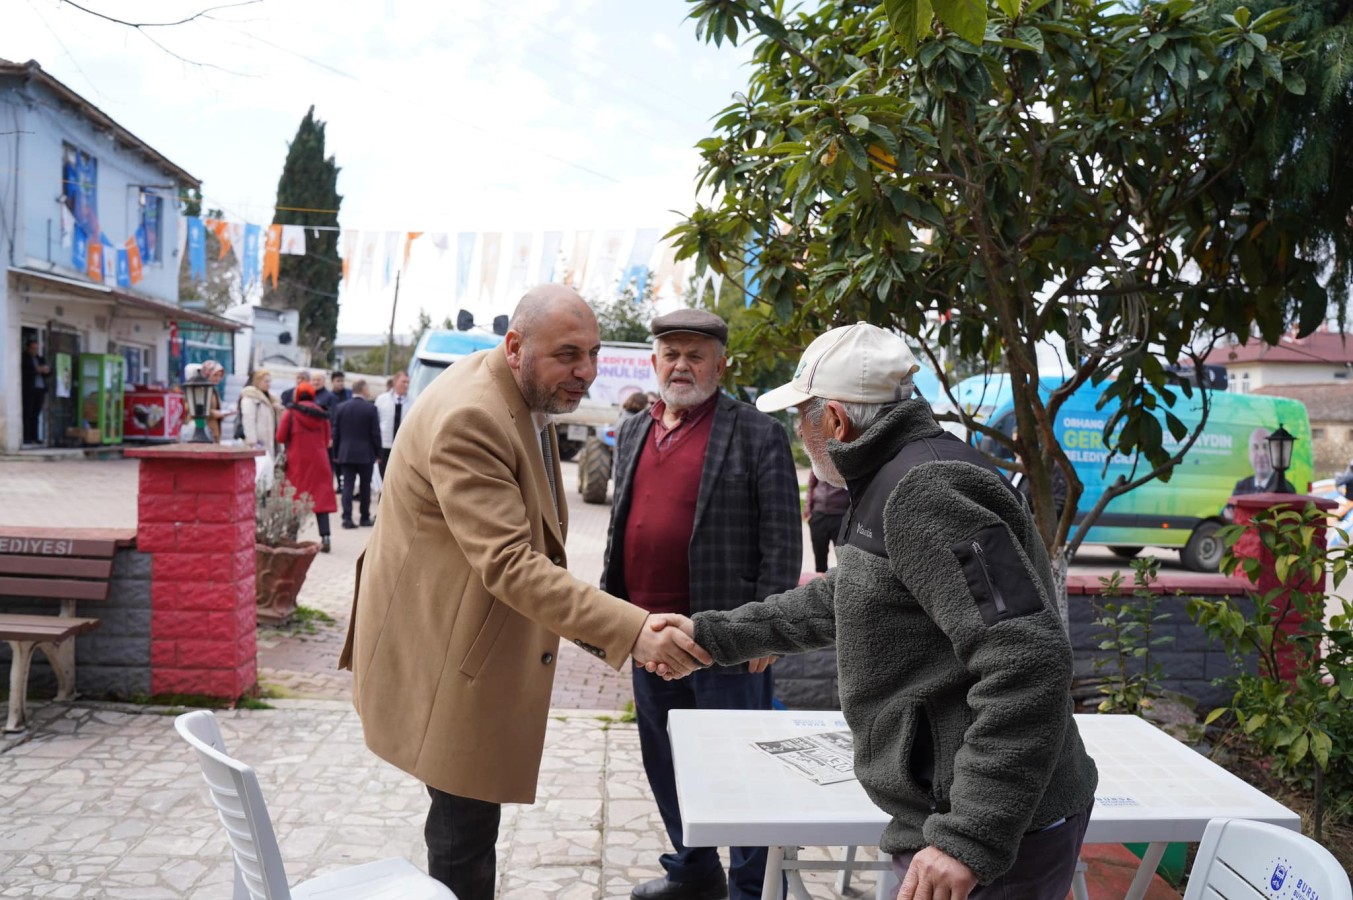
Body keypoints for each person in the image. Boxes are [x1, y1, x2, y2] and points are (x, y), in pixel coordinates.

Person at [660, 323, 1099, 900]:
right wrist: (713, 636)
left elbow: (1027, 660)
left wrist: (968, 836)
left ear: (836, 422)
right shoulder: (892, 478)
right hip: (950, 814)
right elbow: (849, 596)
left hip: (988, 833)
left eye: (804, 417)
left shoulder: (926, 490)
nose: (799, 433)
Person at [337, 284, 713, 900]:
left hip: (458, 643)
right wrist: (633, 630)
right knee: (463, 832)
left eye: (591, 354)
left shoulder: (513, 395)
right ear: (515, 347)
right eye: (568, 355)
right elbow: (511, 563)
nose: (586, 371)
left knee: (466, 822)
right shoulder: (473, 415)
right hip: (444, 664)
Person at [601, 310, 801, 900]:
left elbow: (783, 540)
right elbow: (621, 527)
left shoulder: (756, 431)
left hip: (727, 638)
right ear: (653, 361)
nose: (681, 365)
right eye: (671, 353)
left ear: (721, 363)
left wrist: (769, 630)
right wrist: (615, 621)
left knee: (737, 770)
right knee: (665, 762)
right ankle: (692, 873)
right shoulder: (636, 428)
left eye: (695, 354)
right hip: (646, 634)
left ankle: (749, 887)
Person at [277, 381, 338, 552]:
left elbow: (280, 437)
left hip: (297, 462)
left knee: (295, 496)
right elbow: (327, 441)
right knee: (321, 499)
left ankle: (291, 536)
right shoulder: (322, 415)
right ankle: (325, 538)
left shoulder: (290, 413)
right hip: (319, 462)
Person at [332, 379, 380, 529]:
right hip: (365, 454)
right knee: (366, 486)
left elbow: (336, 433)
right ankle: (364, 517)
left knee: (347, 485)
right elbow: (375, 433)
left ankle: (347, 518)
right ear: (363, 390)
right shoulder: (370, 409)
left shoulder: (341, 408)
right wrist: (378, 453)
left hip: (346, 453)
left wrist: (336, 453)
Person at [1224, 427, 1294, 521]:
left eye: (1265, 447)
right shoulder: (1241, 486)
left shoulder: (1286, 488)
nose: (1261, 454)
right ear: (1249, 455)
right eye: (1255, 447)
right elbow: (1226, 513)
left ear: (1275, 453)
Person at [239, 369, 282, 482]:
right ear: (258, 381)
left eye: (269, 381)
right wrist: (252, 441)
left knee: (268, 468)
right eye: (266, 381)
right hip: (258, 440)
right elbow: (248, 419)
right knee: (259, 469)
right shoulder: (250, 398)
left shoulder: (271, 398)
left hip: (270, 438)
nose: (269, 384)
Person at [805, 470, 850, 574]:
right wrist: (808, 508)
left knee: (843, 556)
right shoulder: (818, 459)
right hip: (818, 514)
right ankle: (821, 583)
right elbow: (811, 485)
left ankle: (842, 583)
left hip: (840, 514)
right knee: (819, 554)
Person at [374, 370, 409, 479]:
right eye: (403, 382)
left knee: (397, 476)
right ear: (395, 382)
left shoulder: (413, 401)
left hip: (402, 446)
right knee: (383, 475)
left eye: (408, 382)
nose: (406, 385)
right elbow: (375, 422)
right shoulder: (382, 399)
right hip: (385, 444)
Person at [20, 338, 51, 446]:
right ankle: (26, 437)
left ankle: (35, 437)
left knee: (36, 414)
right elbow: (24, 373)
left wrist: (46, 370)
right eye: (33, 348)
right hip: (29, 389)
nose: (34, 351)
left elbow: (48, 373)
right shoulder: (24, 358)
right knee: (27, 413)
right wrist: (35, 370)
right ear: (28, 348)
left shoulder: (40, 359)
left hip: (40, 389)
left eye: (36, 349)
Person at [200, 360, 227, 443]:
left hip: (213, 431)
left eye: (220, 376)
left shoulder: (213, 390)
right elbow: (197, 409)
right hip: (203, 433)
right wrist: (213, 413)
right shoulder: (200, 389)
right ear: (207, 374)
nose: (218, 378)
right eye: (215, 375)